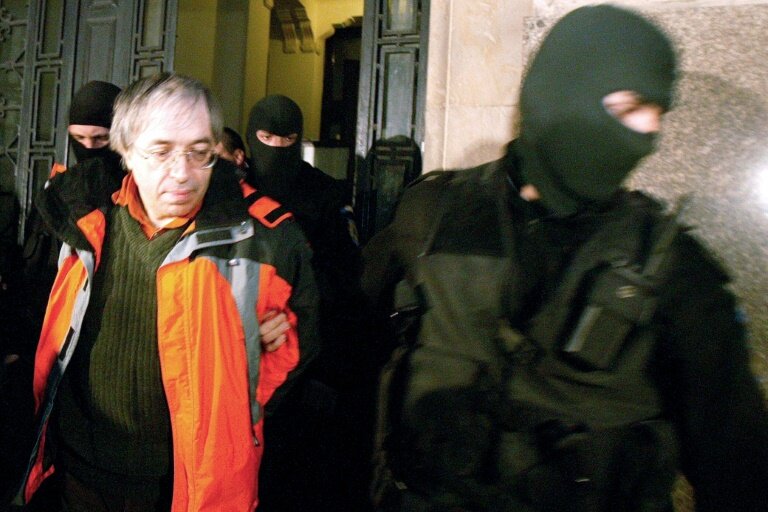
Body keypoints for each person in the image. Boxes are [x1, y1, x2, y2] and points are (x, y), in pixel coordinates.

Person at [362, 5, 768, 512]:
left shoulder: (677, 273)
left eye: (657, 114)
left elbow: (739, 469)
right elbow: (358, 365)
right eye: (629, 108)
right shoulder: (432, 215)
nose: (649, 136)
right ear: (561, 93)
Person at [11, 72, 319, 512]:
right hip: (79, 474)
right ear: (125, 150)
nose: (182, 173)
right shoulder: (83, 217)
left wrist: (235, 396)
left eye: (199, 152)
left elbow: (297, 345)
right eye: (160, 152)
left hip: (188, 487)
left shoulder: (265, 239)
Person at [246, 95, 371, 511]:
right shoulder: (232, 193)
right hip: (245, 365)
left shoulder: (327, 196)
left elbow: (346, 290)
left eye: (288, 140)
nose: (277, 149)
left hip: (308, 366)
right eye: (267, 139)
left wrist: (330, 373)